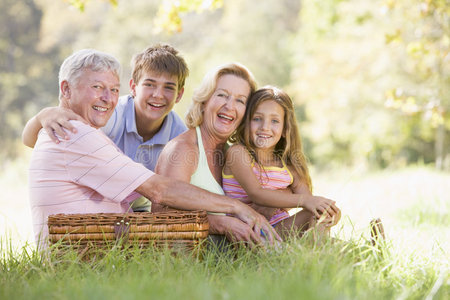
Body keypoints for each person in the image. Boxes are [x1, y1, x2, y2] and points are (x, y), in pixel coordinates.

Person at [28, 49, 277, 247]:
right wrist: (234, 210)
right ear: (66, 89)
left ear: (179, 94)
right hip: (82, 252)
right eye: (97, 87)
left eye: (113, 90)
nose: (107, 98)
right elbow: (160, 191)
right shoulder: (76, 132)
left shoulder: (175, 130)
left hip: (99, 238)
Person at [23, 43, 189, 211]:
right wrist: (42, 116)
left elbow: (173, 191)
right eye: (150, 84)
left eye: (168, 87)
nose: (158, 95)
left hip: (140, 209)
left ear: (179, 94)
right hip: (100, 208)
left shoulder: (178, 135)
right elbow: (33, 140)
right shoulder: (108, 115)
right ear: (133, 87)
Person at [154, 63, 279, 244]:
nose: (230, 106)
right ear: (205, 101)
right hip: (189, 262)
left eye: (240, 100)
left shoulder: (235, 155)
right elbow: (161, 215)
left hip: (233, 262)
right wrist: (219, 223)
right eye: (222, 95)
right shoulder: (183, 149)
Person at [222, 86, 341, 239]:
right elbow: (256, 193)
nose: (265, 127)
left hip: (280, 231)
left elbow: (311, 204)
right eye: (257, 118)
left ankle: (327, 254)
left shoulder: (290, 167)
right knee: (313, 214)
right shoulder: (238, 153)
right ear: (246, 122)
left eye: (275, 121)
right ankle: (325, 252)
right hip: (249, 233)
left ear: (285, 129)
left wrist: (330, 213)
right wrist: (305, 201)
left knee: (315, 215)